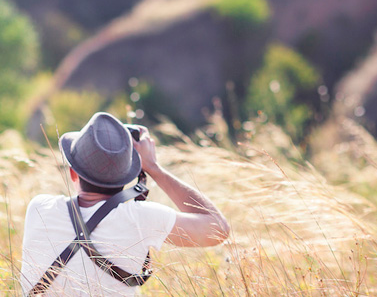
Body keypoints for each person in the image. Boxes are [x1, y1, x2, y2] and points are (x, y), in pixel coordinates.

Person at [20, 112, 230, 295]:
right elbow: (218, 229)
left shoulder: (39, 207)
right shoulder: (140, 217)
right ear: (125, 177)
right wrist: (154, 168)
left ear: (73, 173)